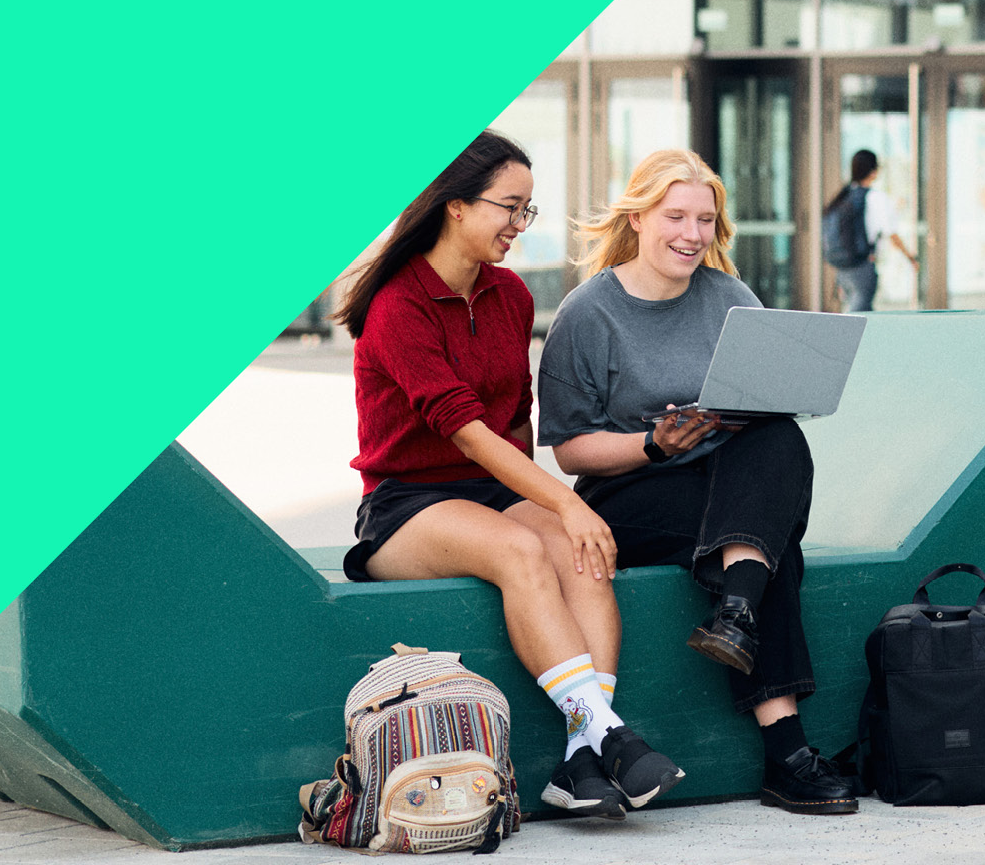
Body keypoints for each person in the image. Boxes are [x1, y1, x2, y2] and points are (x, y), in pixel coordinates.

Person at [330, 131, 683, 822]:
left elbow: (515, 424)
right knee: (522, 550)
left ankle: (586, 752)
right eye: (509, 208)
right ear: (455, 207)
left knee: (582, 551)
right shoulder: (398, 307)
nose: (520, 226)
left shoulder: (510, 295)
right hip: (405, 506)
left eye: (528, 210)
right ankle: (611, 734)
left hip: (491, 491)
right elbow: (468, 430)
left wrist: (563, 514)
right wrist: (564, 502)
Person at [536, 149, 859, 817]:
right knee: (771, 549)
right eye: (675, 215)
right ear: (638, 216)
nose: (692, 233)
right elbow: (570, 450)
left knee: (778, 436)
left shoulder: (730, 296)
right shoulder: (588, 312)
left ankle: (736, 612)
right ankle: (787, 753)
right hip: (633, 491)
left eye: (706, 219)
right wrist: (653, 443)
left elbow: (765, 403)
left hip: (730, 481)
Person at [823, 149, 918, 312]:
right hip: (862, 265)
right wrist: (910, 258)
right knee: (861, 315)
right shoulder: (875, 198)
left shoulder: (844, 195)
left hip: (842, 268)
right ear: (874, 172)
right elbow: (892, 234)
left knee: (855, 311)